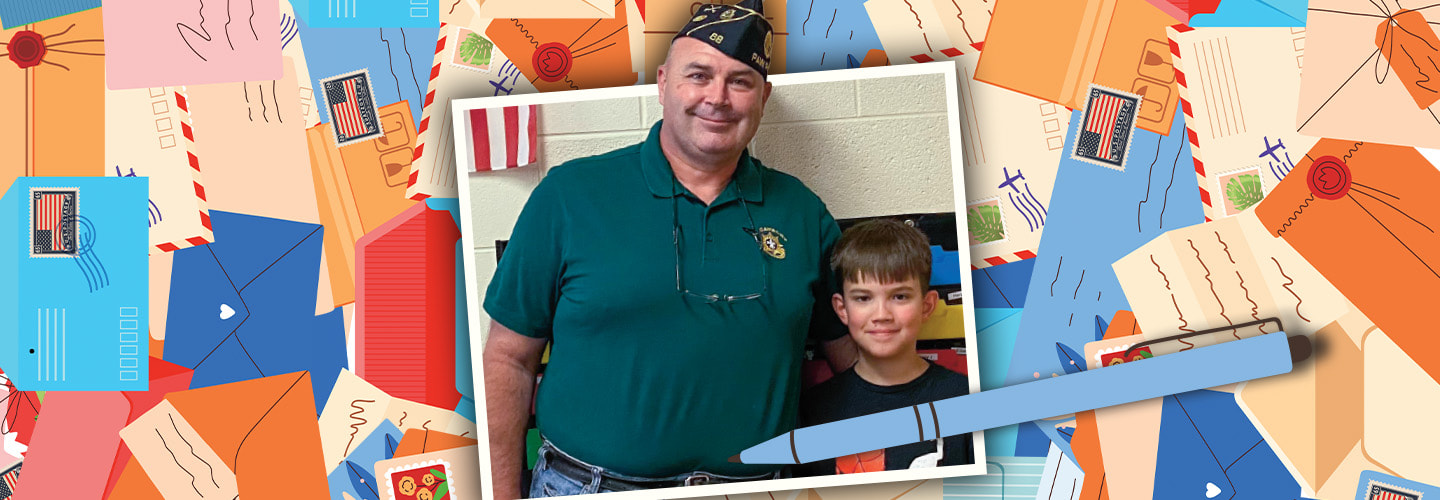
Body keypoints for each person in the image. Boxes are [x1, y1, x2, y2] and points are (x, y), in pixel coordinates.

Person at [481, 0, 858, 497]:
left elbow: (853, 358)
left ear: (763, 96)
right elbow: (508, 358)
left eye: (740, 81)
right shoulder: (570, 195)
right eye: (698, 75)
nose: (718, 98)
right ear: (662, 83)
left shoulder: (803, 214)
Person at [797, 219, 975, 475]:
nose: (881, 314)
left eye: (899, 296)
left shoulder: (966, 402)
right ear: (841, 309)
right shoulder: (813, 411)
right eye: (863, 298)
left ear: (927, 306)